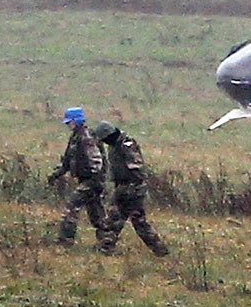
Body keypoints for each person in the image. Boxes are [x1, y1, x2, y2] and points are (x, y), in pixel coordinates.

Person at [93, 121, 168, 256]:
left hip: (133, 188)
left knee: (135, 222)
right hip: (123, 187)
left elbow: (137, 169)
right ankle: (105, 247)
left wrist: (131, 188)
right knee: (115, 218)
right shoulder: (114, 146)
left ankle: (160, 250)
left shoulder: (127, 145)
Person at [49, 106, 107, 246]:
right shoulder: (75, 137)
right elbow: (68, 161)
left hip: (91, 181)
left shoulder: (86, 137)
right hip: (86, 179)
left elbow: (96, 160)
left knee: (72, 207)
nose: (68, 125)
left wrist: (95, 180)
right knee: (97, 215)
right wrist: (56, 175)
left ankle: (65, 241)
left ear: (77, 121)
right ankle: (107, 241)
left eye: (70, 122)